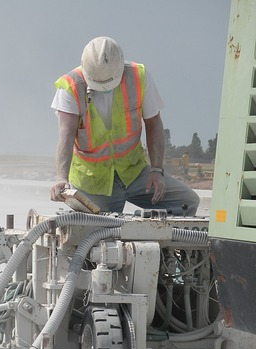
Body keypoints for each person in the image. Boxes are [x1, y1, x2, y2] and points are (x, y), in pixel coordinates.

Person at [49, 37, 199, 216]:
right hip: (94, 181)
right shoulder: (70, 87)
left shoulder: (139, 77)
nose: (104, 87)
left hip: (134, 173)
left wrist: (157, 170)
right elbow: (65, 135)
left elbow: (153, 123)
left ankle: (159, 240)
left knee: (188, 203)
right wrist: (61, 178)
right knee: (99, 233)